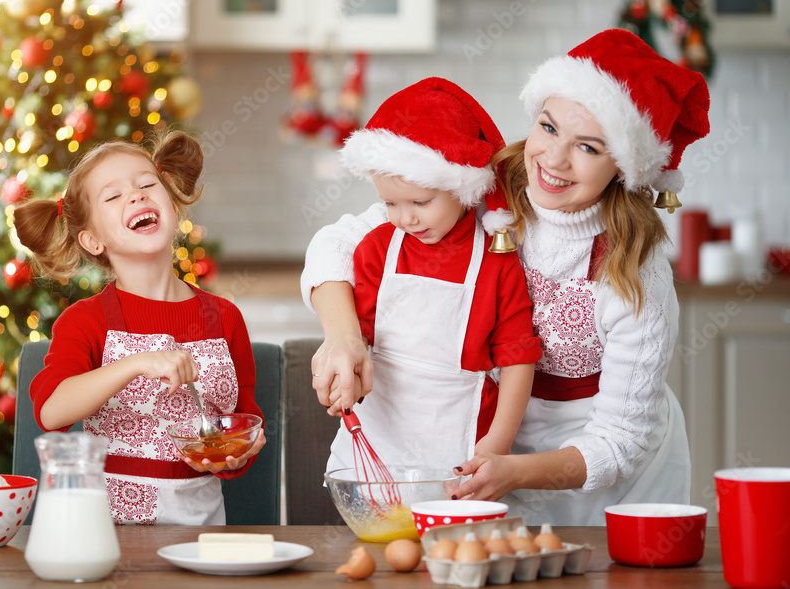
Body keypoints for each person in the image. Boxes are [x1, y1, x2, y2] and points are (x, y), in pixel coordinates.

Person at [301, 29, 710, 525]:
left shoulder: (635, 271)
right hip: (492, 450)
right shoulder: (482, 187)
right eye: (549, 127)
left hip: (607, 484)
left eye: (588, 147)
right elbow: (339, 242)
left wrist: (515, 470)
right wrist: (344, 338)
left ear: (623, 166)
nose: (554, 160)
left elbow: (620, 442)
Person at [13, 130, 265, 525]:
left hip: (200, 534)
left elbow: (241, 423)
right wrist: (136, 363)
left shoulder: (225, 317)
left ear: (173, 205)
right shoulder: (85, 321)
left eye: (148, 184)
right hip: (108, 536)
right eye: (113, 196)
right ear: (93, 240)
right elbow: (52, 410)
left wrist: (236, 454)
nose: (137, 195)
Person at [323, 77, 541, 476]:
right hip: (377, 443)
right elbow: (361, 339)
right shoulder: (376, 249)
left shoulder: (497, 258)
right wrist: (345, 381)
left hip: (460, 448)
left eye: (421, 202)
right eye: (390, 202)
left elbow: (518, 360)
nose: (405, 218)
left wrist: (498, 443)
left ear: (461, 186)